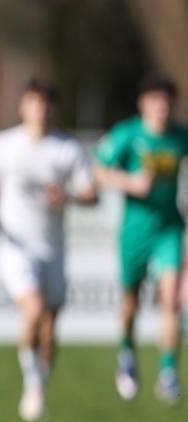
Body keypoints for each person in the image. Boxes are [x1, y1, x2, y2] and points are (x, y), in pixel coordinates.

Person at [0, 78, 97, 422]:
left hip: (53, 246)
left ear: (53, 109)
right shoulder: (4, 145)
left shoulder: (67, 148)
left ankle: (41, 380)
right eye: (33, 102)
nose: (40, 110)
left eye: (46, 104)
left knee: (50, 323)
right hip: (15, 243)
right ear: (23, 107)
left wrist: (69, 196)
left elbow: (93, 192)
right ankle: (32, 384)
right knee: (34, 309)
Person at [96, 74, 188, 404]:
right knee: (130, 303)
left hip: (169, 229)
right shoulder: (128, 135)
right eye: (155, 101)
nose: (162, 108)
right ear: (143, 104)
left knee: (172, 301)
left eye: (167, 102)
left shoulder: (180, 137)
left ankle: (168, 374)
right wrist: (129, 182)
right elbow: (99, 170)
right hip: (135, 232)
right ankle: (127, 353)